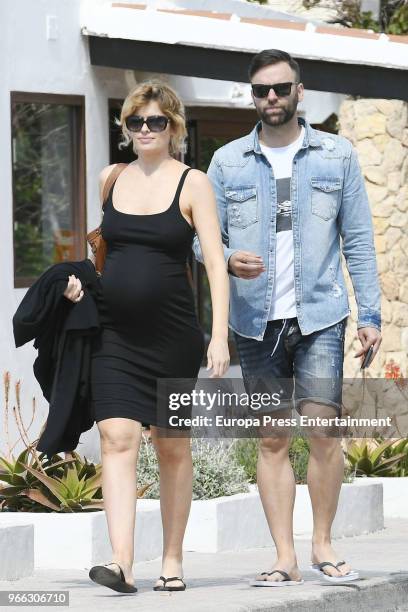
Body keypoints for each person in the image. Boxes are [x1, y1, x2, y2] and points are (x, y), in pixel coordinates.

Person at [192, 49, 382, 586]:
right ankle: (283, 556)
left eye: (280, 88)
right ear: (251, 96)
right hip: (255, 322)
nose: (270, 98)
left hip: (321, 314)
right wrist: (226, 258)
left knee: (324, 432)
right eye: (261, 91)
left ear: (301, 91)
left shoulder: (336, 155)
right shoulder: (227, 161)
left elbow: (360, 241)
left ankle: (323, 544)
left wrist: (369, 314)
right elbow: (200, 239)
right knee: (272, 438)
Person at [64, 81, 230, 593]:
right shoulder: (110, 179)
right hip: (114, 334)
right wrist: (79, 287)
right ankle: (121, 563)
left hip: (174, 338)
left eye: (155, 122)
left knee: (173, 446)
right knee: (116, 437)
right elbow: (103, 250)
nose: (144, 131)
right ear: (126, 128)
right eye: (136, 122)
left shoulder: (194, 184)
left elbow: (215, 266)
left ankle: (173, 559)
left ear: (173, 127)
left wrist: (219, 335)